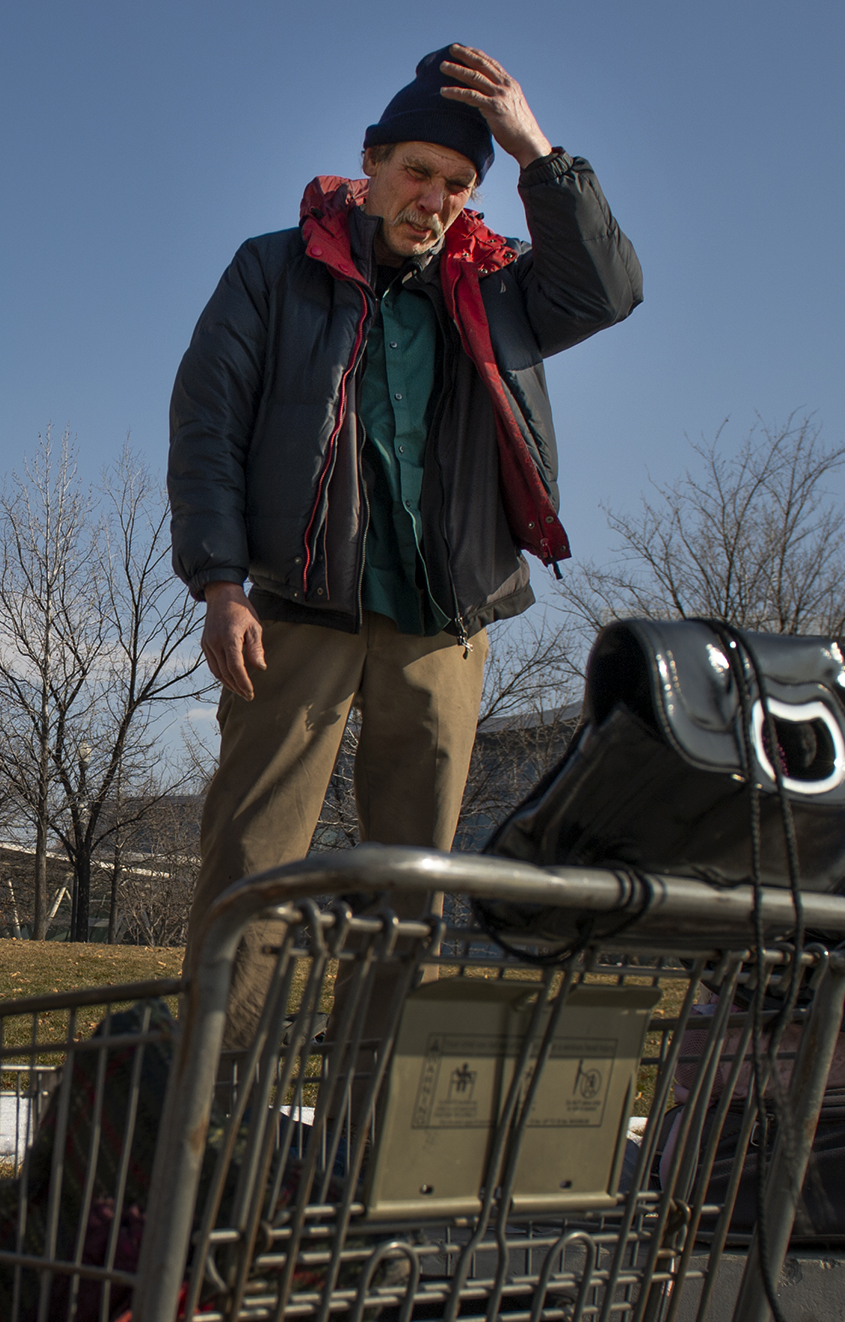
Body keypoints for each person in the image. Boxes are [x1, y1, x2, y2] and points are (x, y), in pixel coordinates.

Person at [169, 44, 642, 1036]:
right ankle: (205, 1118)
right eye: (418, 172)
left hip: (441, 620)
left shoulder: (498, 288)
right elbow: (208, 423)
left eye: (459, 184)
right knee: (255, 861)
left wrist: (533, 148)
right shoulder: (274, 270)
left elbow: (608, 290)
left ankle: (355, 1136)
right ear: (371, 162)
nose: (434, 199)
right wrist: (220, 582)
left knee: (414, 883)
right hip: (296, 610)